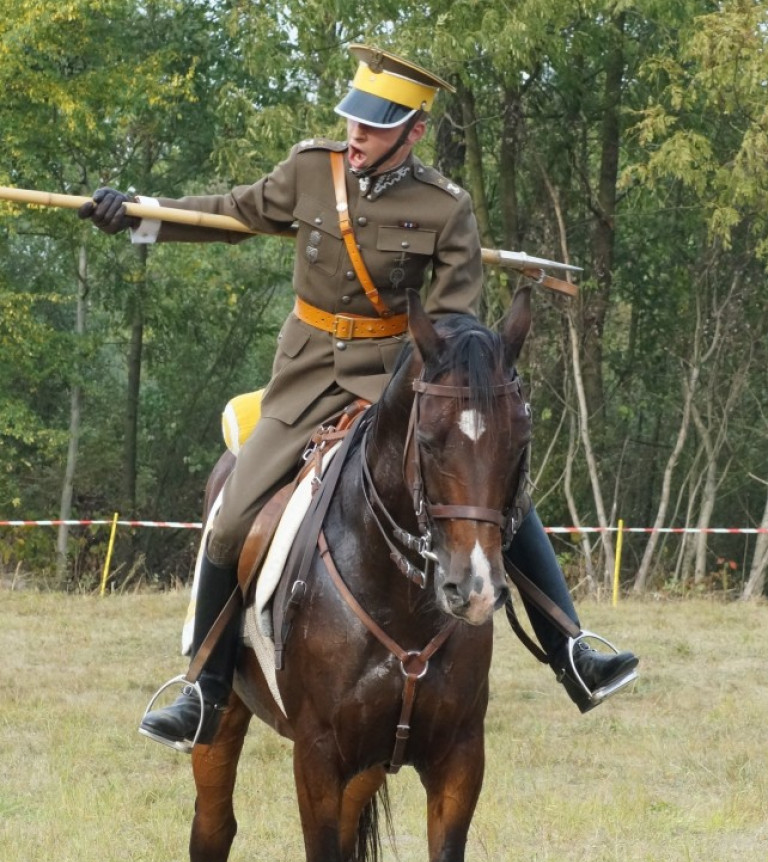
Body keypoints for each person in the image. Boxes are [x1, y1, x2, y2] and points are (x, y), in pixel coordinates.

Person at [80, 45, 638, 752]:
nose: (357, 135)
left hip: (395, 378)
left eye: (375, 126)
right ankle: (203, 688)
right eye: (354, 120)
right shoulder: (313, 171)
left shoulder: (446, 207)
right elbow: (230, 214)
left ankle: (573, 652)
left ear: (415, 131)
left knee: (502, 500)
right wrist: (135, 216)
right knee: (228, 526)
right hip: (306, 372)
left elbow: (459, 323)